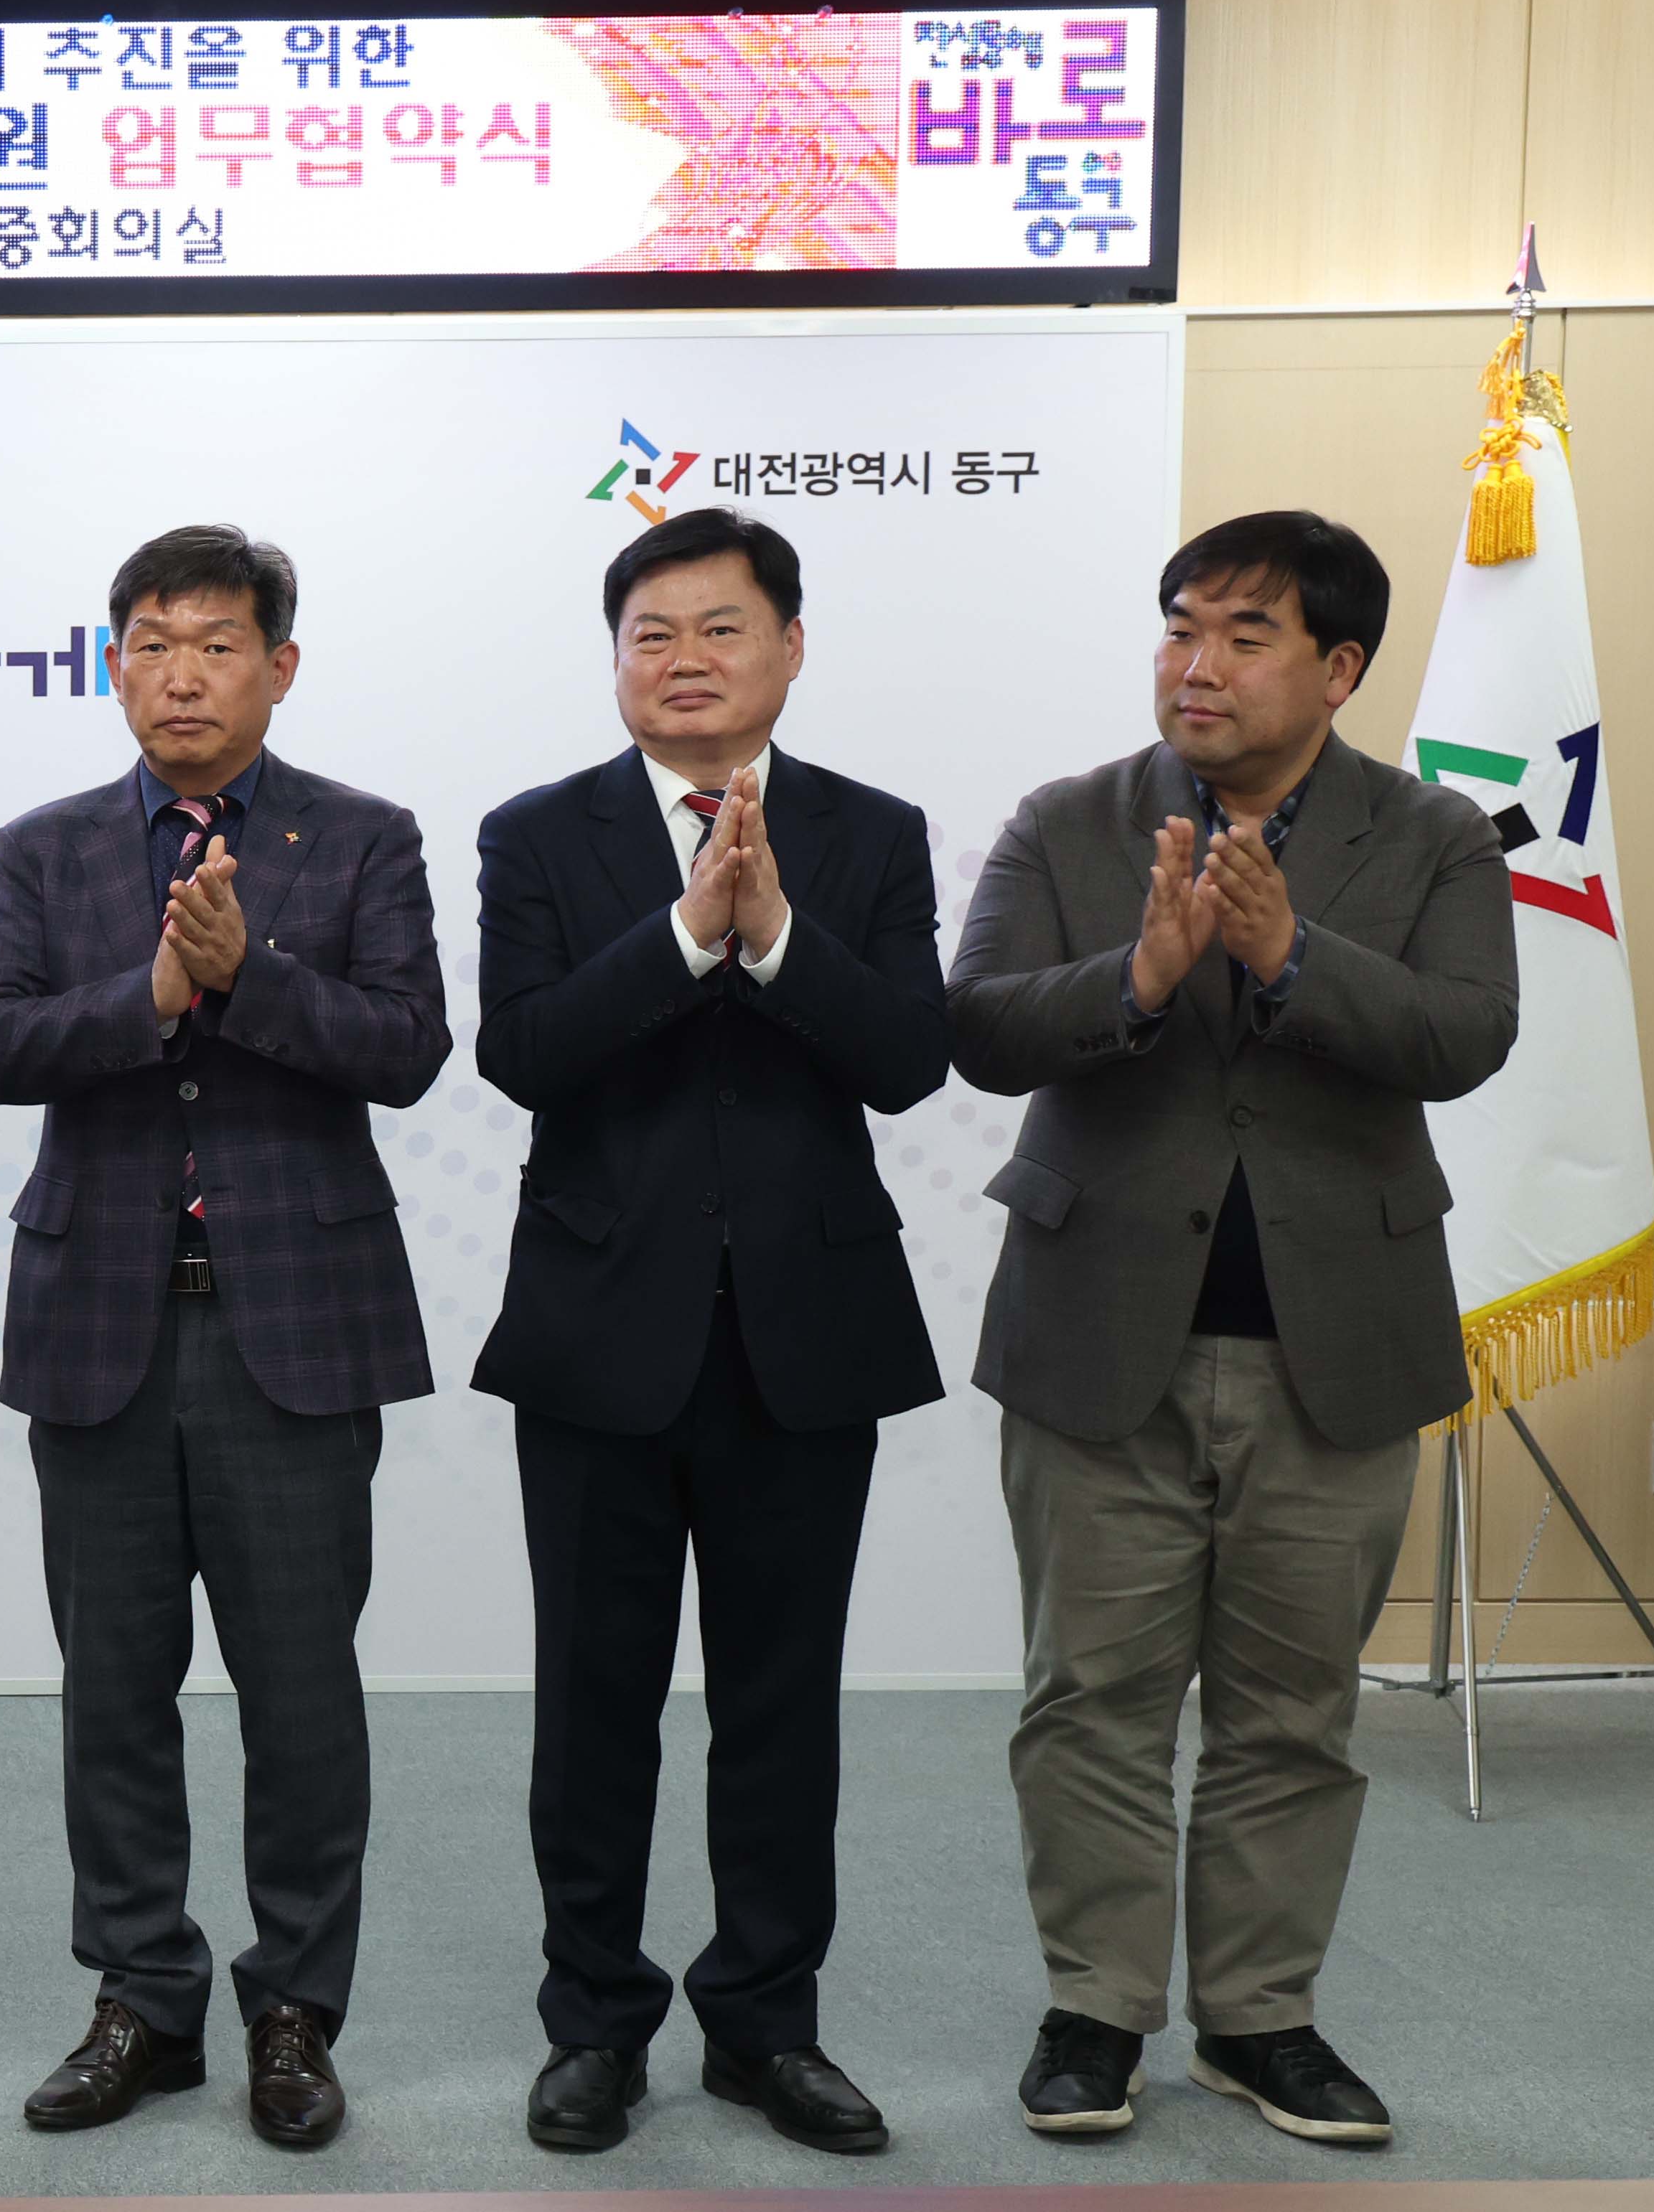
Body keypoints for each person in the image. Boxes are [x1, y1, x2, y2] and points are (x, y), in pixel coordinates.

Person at [951, 511, 1515, 2150]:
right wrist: (1134, 982)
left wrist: (1288, 955)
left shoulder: (1435, 837)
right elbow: (977, 1027)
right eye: (1178, 627)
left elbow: (1467, 1035)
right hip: (1097, 1338)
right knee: (1091, 1699)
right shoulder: (1069, 820)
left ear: (1338, 668)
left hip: (1335, 1347)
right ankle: (1095, 2009)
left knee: (1292, 1711)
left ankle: (1261, 2021)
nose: (1194, 665)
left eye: (1242, 635)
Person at [0, 523, 451, 2152]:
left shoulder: (361, 837)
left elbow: (408, 1048)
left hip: (289, 1330)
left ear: (278, 667)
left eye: (217, 644)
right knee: (113, 1691)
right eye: (152, 644)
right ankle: (143, 2002)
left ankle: (295, 2010)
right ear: (115, 666)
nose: (182, 675)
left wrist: (248, 977)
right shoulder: (46, 849)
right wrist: (155, 995)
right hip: (99, 1325)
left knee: (301, 1696)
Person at [469, 509, 947, 2157]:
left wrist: (781, 937)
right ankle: (594, 2022)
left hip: (807, 1334)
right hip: (600, 1334)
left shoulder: (872, 834)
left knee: (782, 1704)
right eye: (651, 633)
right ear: (616, 661)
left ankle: (764, 2022)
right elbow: (523, 1051)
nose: (684, 660)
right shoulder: (540, 835)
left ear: (791, 648)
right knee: (592, 1706)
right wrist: (688, 936)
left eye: (721, 628)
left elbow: (909, 1060)